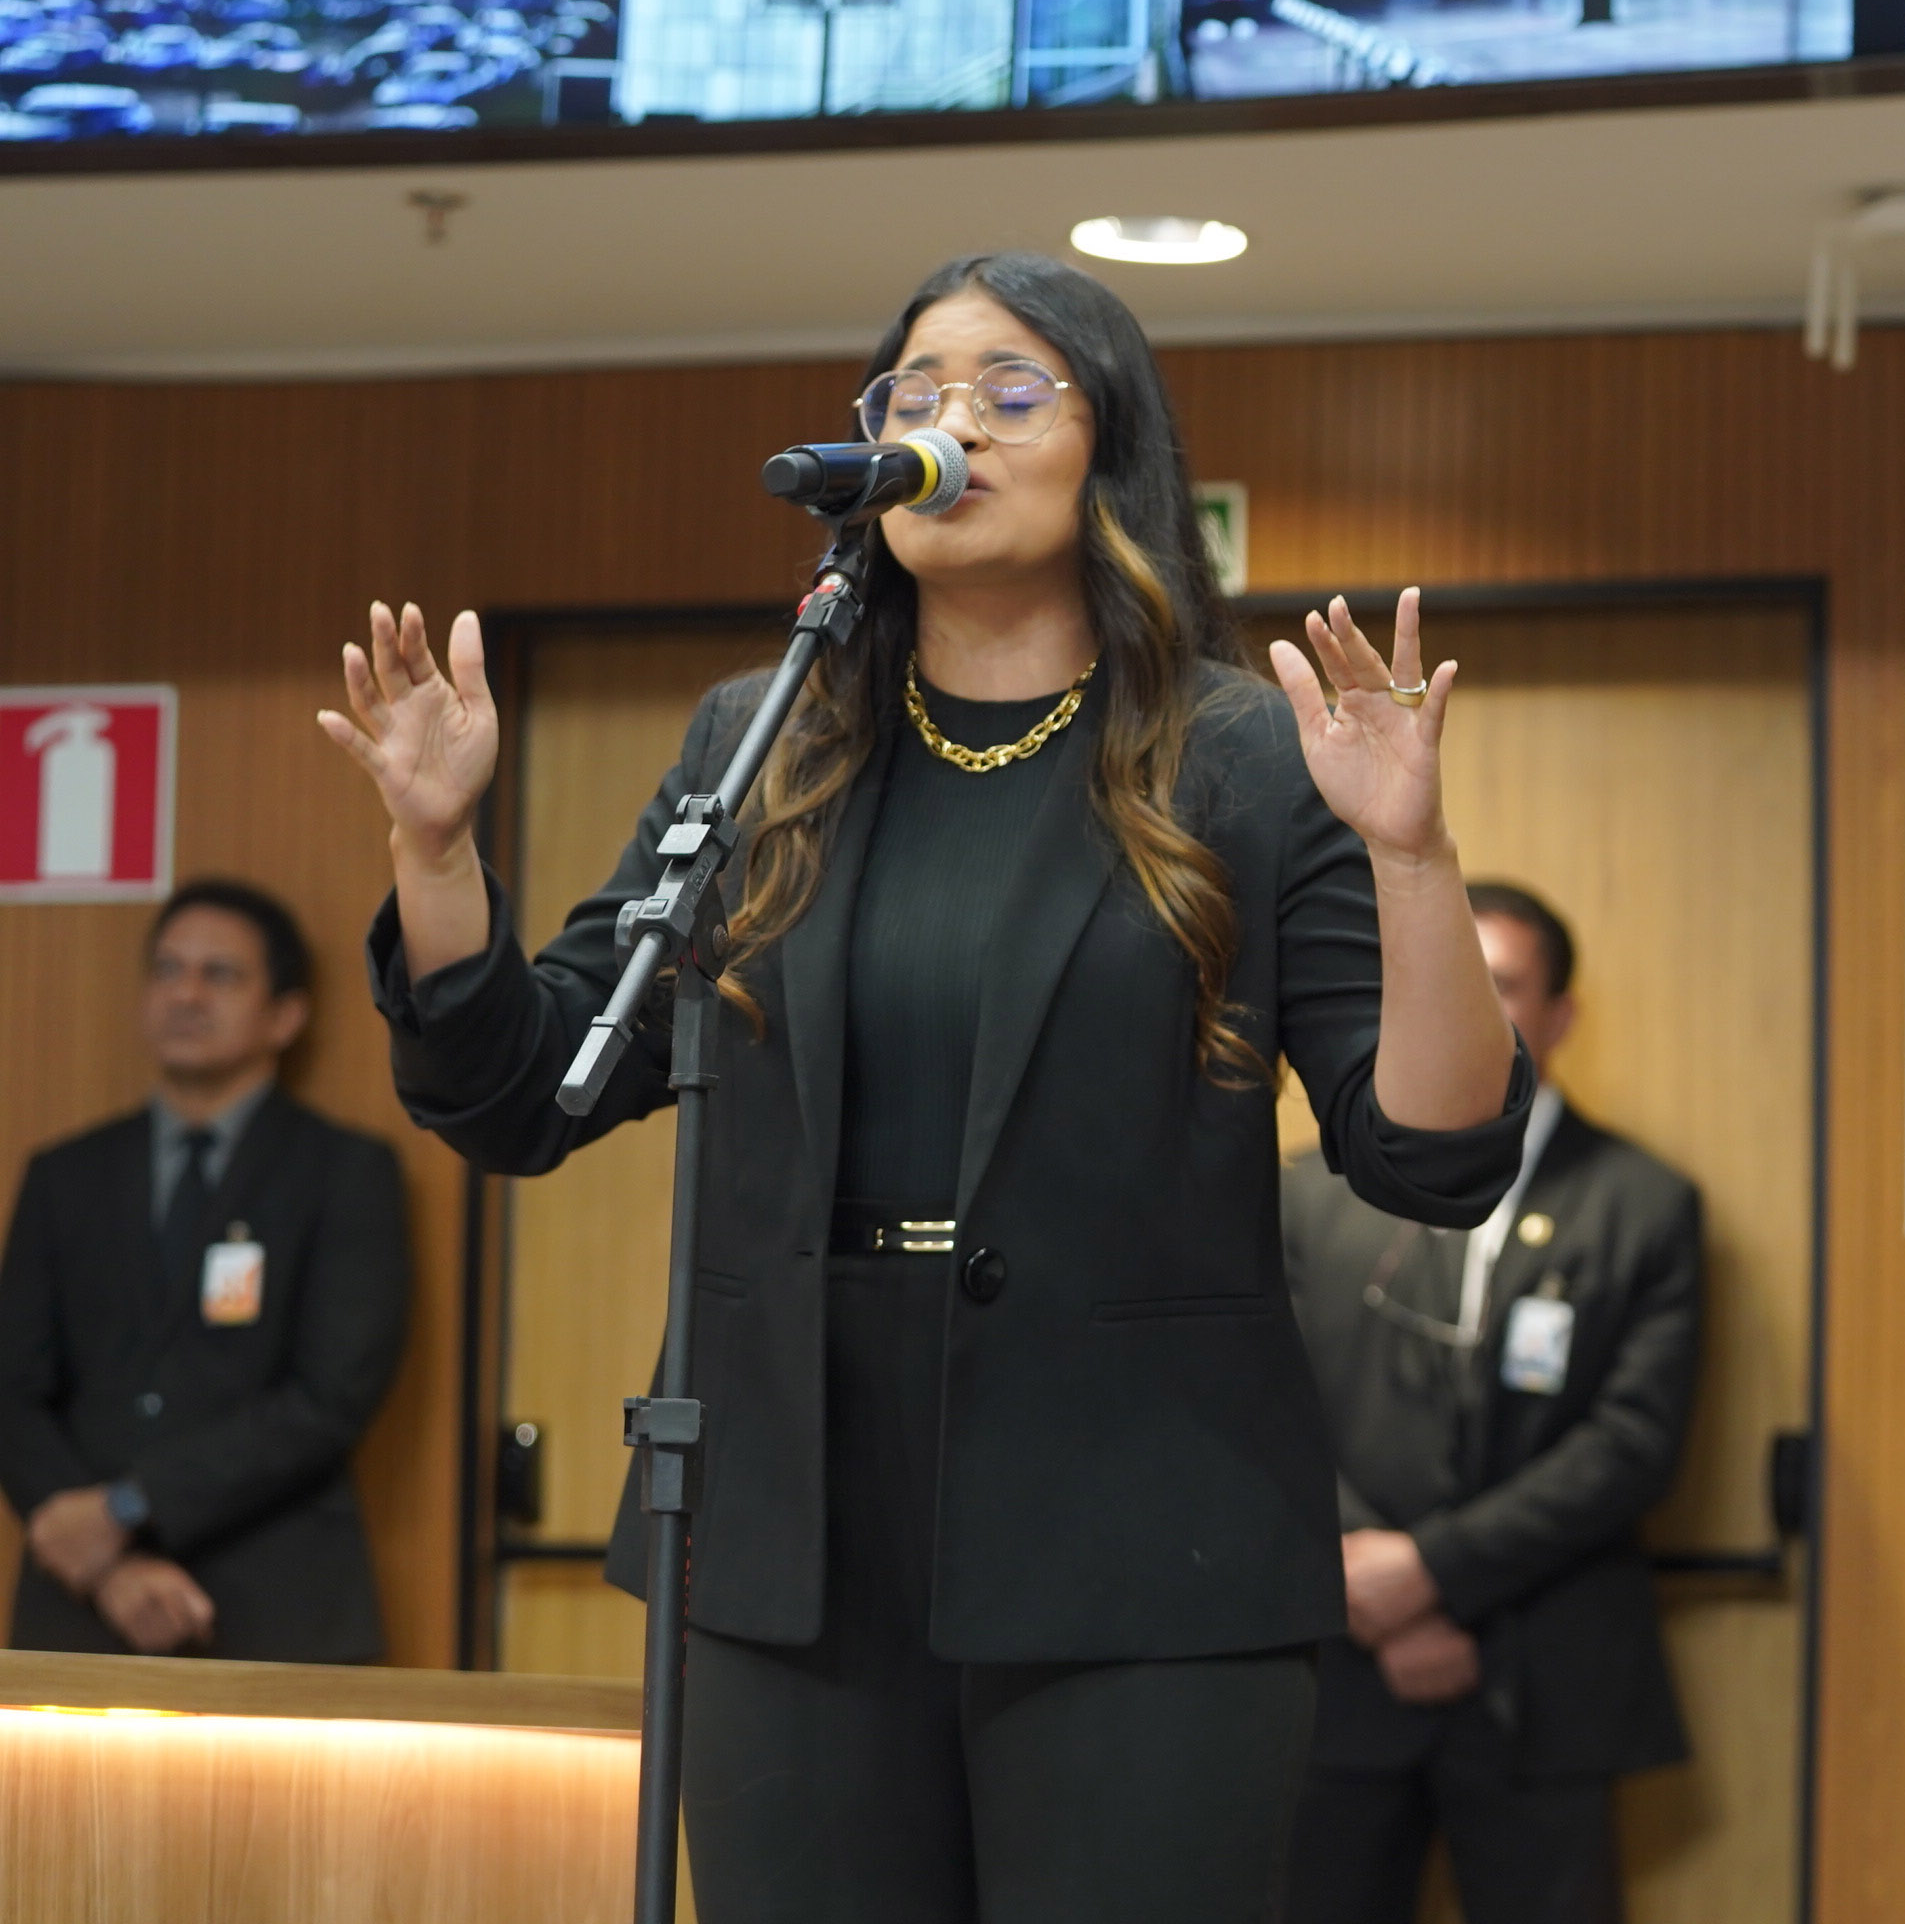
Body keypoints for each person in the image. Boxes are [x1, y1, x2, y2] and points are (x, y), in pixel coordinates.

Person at [329, 251, 1528, 1924]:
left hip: (1143, 1541)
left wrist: (1412, 857)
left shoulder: (1243, 754)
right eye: (914, 392)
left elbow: (1431, 1154)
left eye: (1010, 389)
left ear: (1112, 449)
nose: (951, 419)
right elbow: (531, 1087)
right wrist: (435, 847)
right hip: (789, 1523)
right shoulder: (764, 739)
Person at [1282, 881, 1702, 1924]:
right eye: (1443, 977)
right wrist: (1368, 1582)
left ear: (1559, 1016)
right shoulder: (1307, 1192)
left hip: (1540, 1682)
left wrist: (1433, 1573)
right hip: (1337, 1672)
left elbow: (1632, 1444)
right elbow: (1261, 1401)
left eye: (1501, 984)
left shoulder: (1642, 1205)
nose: (1468, 1004)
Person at [1, 878, 411, 1662]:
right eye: (167, 970)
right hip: (83, 1611)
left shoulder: (345, 1172)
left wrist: (131, 1507)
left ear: (285, 1015)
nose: (185, 994)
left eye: (219, 975)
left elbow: (330, 1397)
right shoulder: (64, 1176)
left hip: (277, 1606)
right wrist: (106, 1565)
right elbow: (12, 1389)